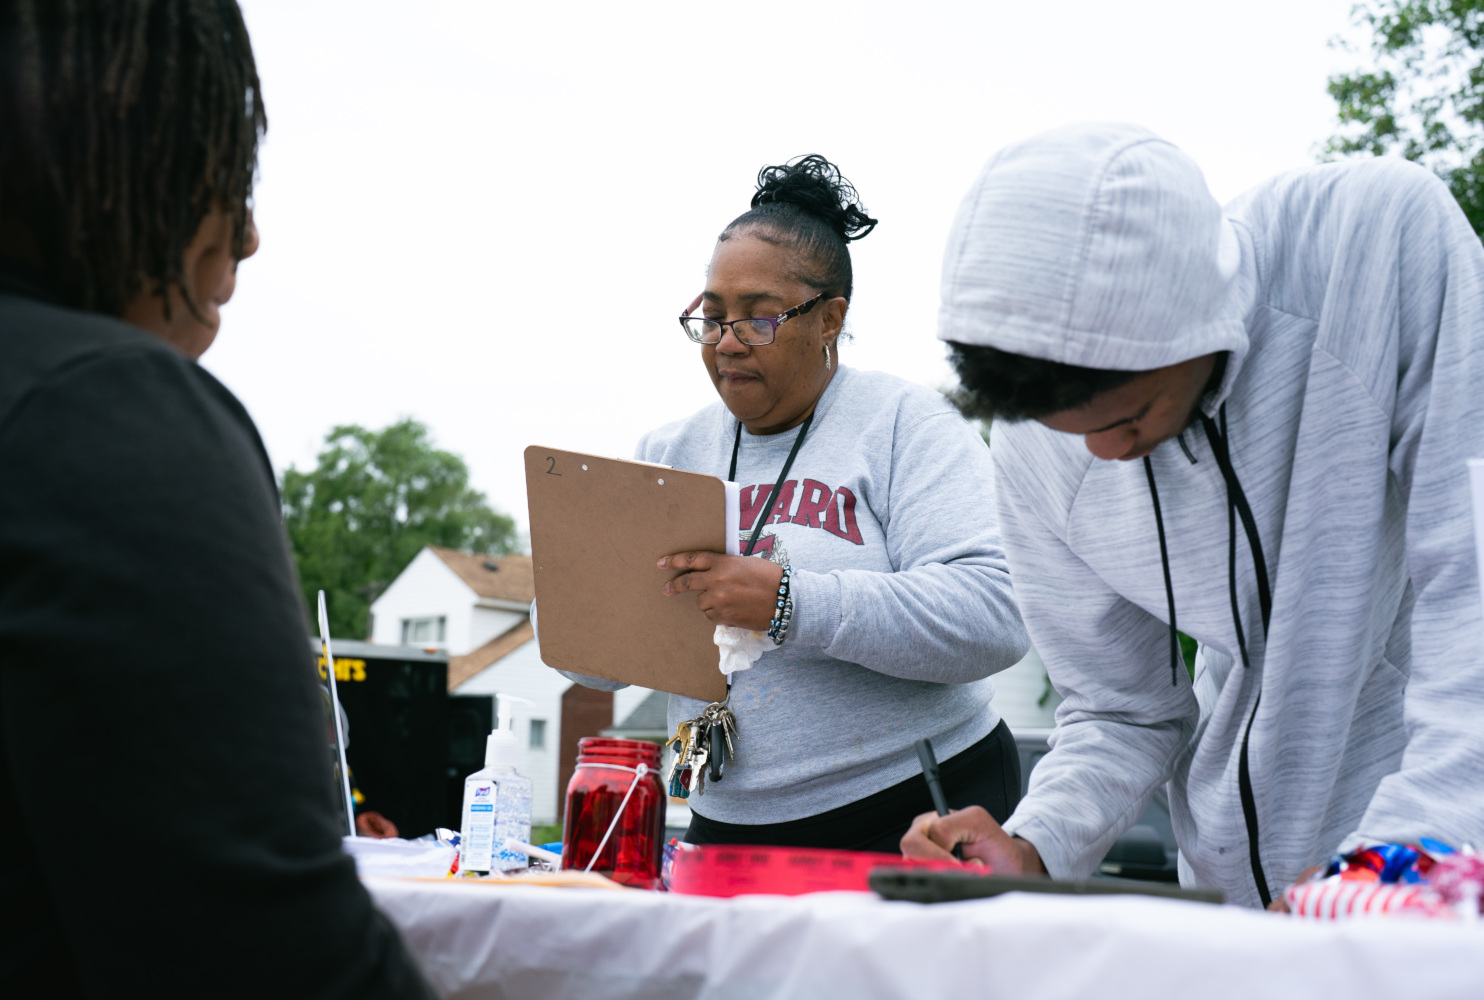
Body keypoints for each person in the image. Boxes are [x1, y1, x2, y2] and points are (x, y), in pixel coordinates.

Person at [900, 122, 1484, 909]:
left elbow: (1472, 586)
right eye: (1072, 434)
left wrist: (1409, 863)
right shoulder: (1032, 447)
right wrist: (1036, 841)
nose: (1105, 456)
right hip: (1235, 901)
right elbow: (1122, 706)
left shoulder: (1373, 244)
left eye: (1129, 418)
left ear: (1190, 322)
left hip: (1436, 868)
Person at [0, 3, 433, 995]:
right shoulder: (101, 410)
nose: (250, 232)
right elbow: (277, 967)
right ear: (106, 130)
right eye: (219, 155)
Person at [561, 156, 1031, 853]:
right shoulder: (669, 450)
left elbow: (996, 614)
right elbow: (588, 661)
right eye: (712, 318)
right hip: (725, 821)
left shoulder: (906, 424)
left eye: (758, 319)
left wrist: (790, 603)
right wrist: (573, 597)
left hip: (913, 810)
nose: (726, 342)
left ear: (829, 319)